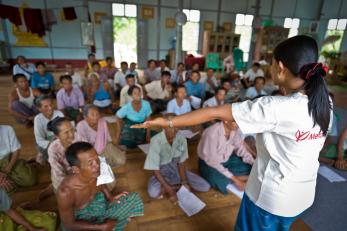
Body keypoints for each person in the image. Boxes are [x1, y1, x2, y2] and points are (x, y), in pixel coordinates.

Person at [132, 35, 332, 231]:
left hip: (272, 199)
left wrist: (167, 121)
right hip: (301, 196)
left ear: (280, 68)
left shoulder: (276, 107)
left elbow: (213, 112)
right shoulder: (324, 103)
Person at [57, 142, 144, 231]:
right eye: (90, 163)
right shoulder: (66, 193)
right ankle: (116, 223)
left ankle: (112, 224)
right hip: (80, 219)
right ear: (76, 169)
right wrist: (100, 227)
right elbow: (69, 224)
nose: (97, 165)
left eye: (97, 159)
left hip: (99, 206)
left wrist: (110, 197)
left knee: (134, 198)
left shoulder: (94, 172)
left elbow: (101, 183)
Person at [144, 114, 210, 201]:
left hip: (178, 171)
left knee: (205, 186)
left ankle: (174, 187)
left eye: (176, 127)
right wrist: (168, 189)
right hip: (162, 173)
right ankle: (173, 187)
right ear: (163, 127)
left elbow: (181, 163)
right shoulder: (155, 141)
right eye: (169, 127)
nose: (173, 130)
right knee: (152, 192)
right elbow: (155, 170)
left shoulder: (182, 139)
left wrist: (184, 182)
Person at [198, 121, 255, 194]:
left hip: (226, 160)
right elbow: (213, 163)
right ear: (226, 120)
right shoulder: (211, 134)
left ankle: (235, 178)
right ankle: (238, 178)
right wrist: (237, 181)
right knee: (216, 179)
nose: (238, 124)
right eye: (235, 121)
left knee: (248, 166)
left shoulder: (234, 129)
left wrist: (253, 163)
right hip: (209, 165)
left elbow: (240, 148)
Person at [0, 125, 37, 192]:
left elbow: (16, 151)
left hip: (8, 159)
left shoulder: (8, 129)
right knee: (6, 188)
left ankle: (23, 165)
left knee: (29, 180)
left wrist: (6, 170)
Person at [34, 95, 64, 164]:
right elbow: (39, 140)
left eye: (51, 105)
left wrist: (58, 142)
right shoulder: (38, 119)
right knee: (42, 161)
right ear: (39, 108)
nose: (50, 108)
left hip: (59, 140)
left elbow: (63, 132)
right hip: (47, 143)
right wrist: (52, 144)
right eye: (46, 106)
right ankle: (43, 155)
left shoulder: (59, 114)